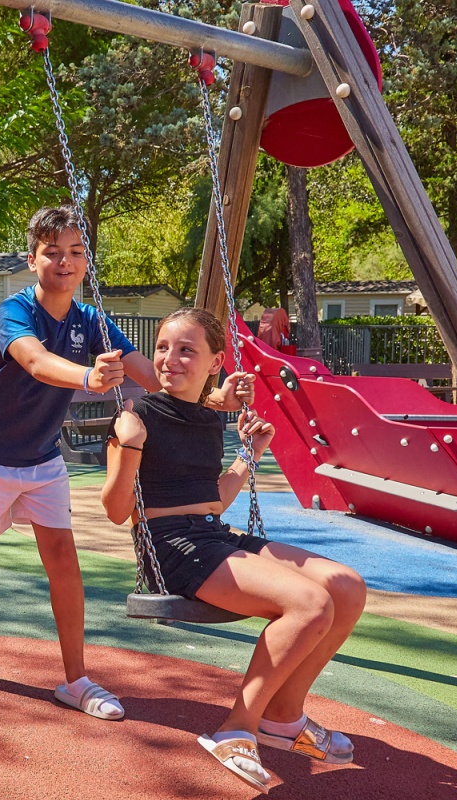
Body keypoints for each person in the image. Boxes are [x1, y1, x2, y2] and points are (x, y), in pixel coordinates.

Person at [0, 205, 249, 721]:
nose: (65, 262)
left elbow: (155, 379)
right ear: (33, 258)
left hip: (42, 458)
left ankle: (75, 679)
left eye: (76, 253)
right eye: (53, 253)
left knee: (64, 561)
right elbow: (36, 361)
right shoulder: (13, 312)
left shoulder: (93, 320)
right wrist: (89, 378)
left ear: (86, 261)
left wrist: (214, 397)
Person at [101, 307, 366, 791]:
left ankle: (283, 719)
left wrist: (249, 455)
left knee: (345, 587)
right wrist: (131, 448)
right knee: (309, 605)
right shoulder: (134, 416)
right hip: (171, 546)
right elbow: (119, 511)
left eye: (186, 350)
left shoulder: (207, 419)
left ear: (215, 362)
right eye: (162, 347)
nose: (170, 359)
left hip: (212, 533)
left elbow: (214, 499)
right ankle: (236, 728)